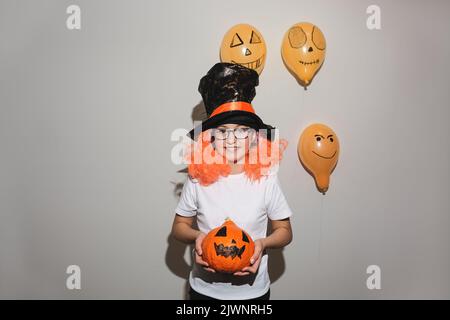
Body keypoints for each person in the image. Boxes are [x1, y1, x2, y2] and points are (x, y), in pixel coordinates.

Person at [171, 63, 293, 300]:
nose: (232, 139)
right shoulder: (197, 179)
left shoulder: (267, 179)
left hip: (253, 293)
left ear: (255, 137)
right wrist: (197, 237)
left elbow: (285, 231)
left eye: (241, 130)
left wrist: (263, 243)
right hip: (204, 292)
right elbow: (178, 227)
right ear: (210, 137)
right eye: (223, 131)